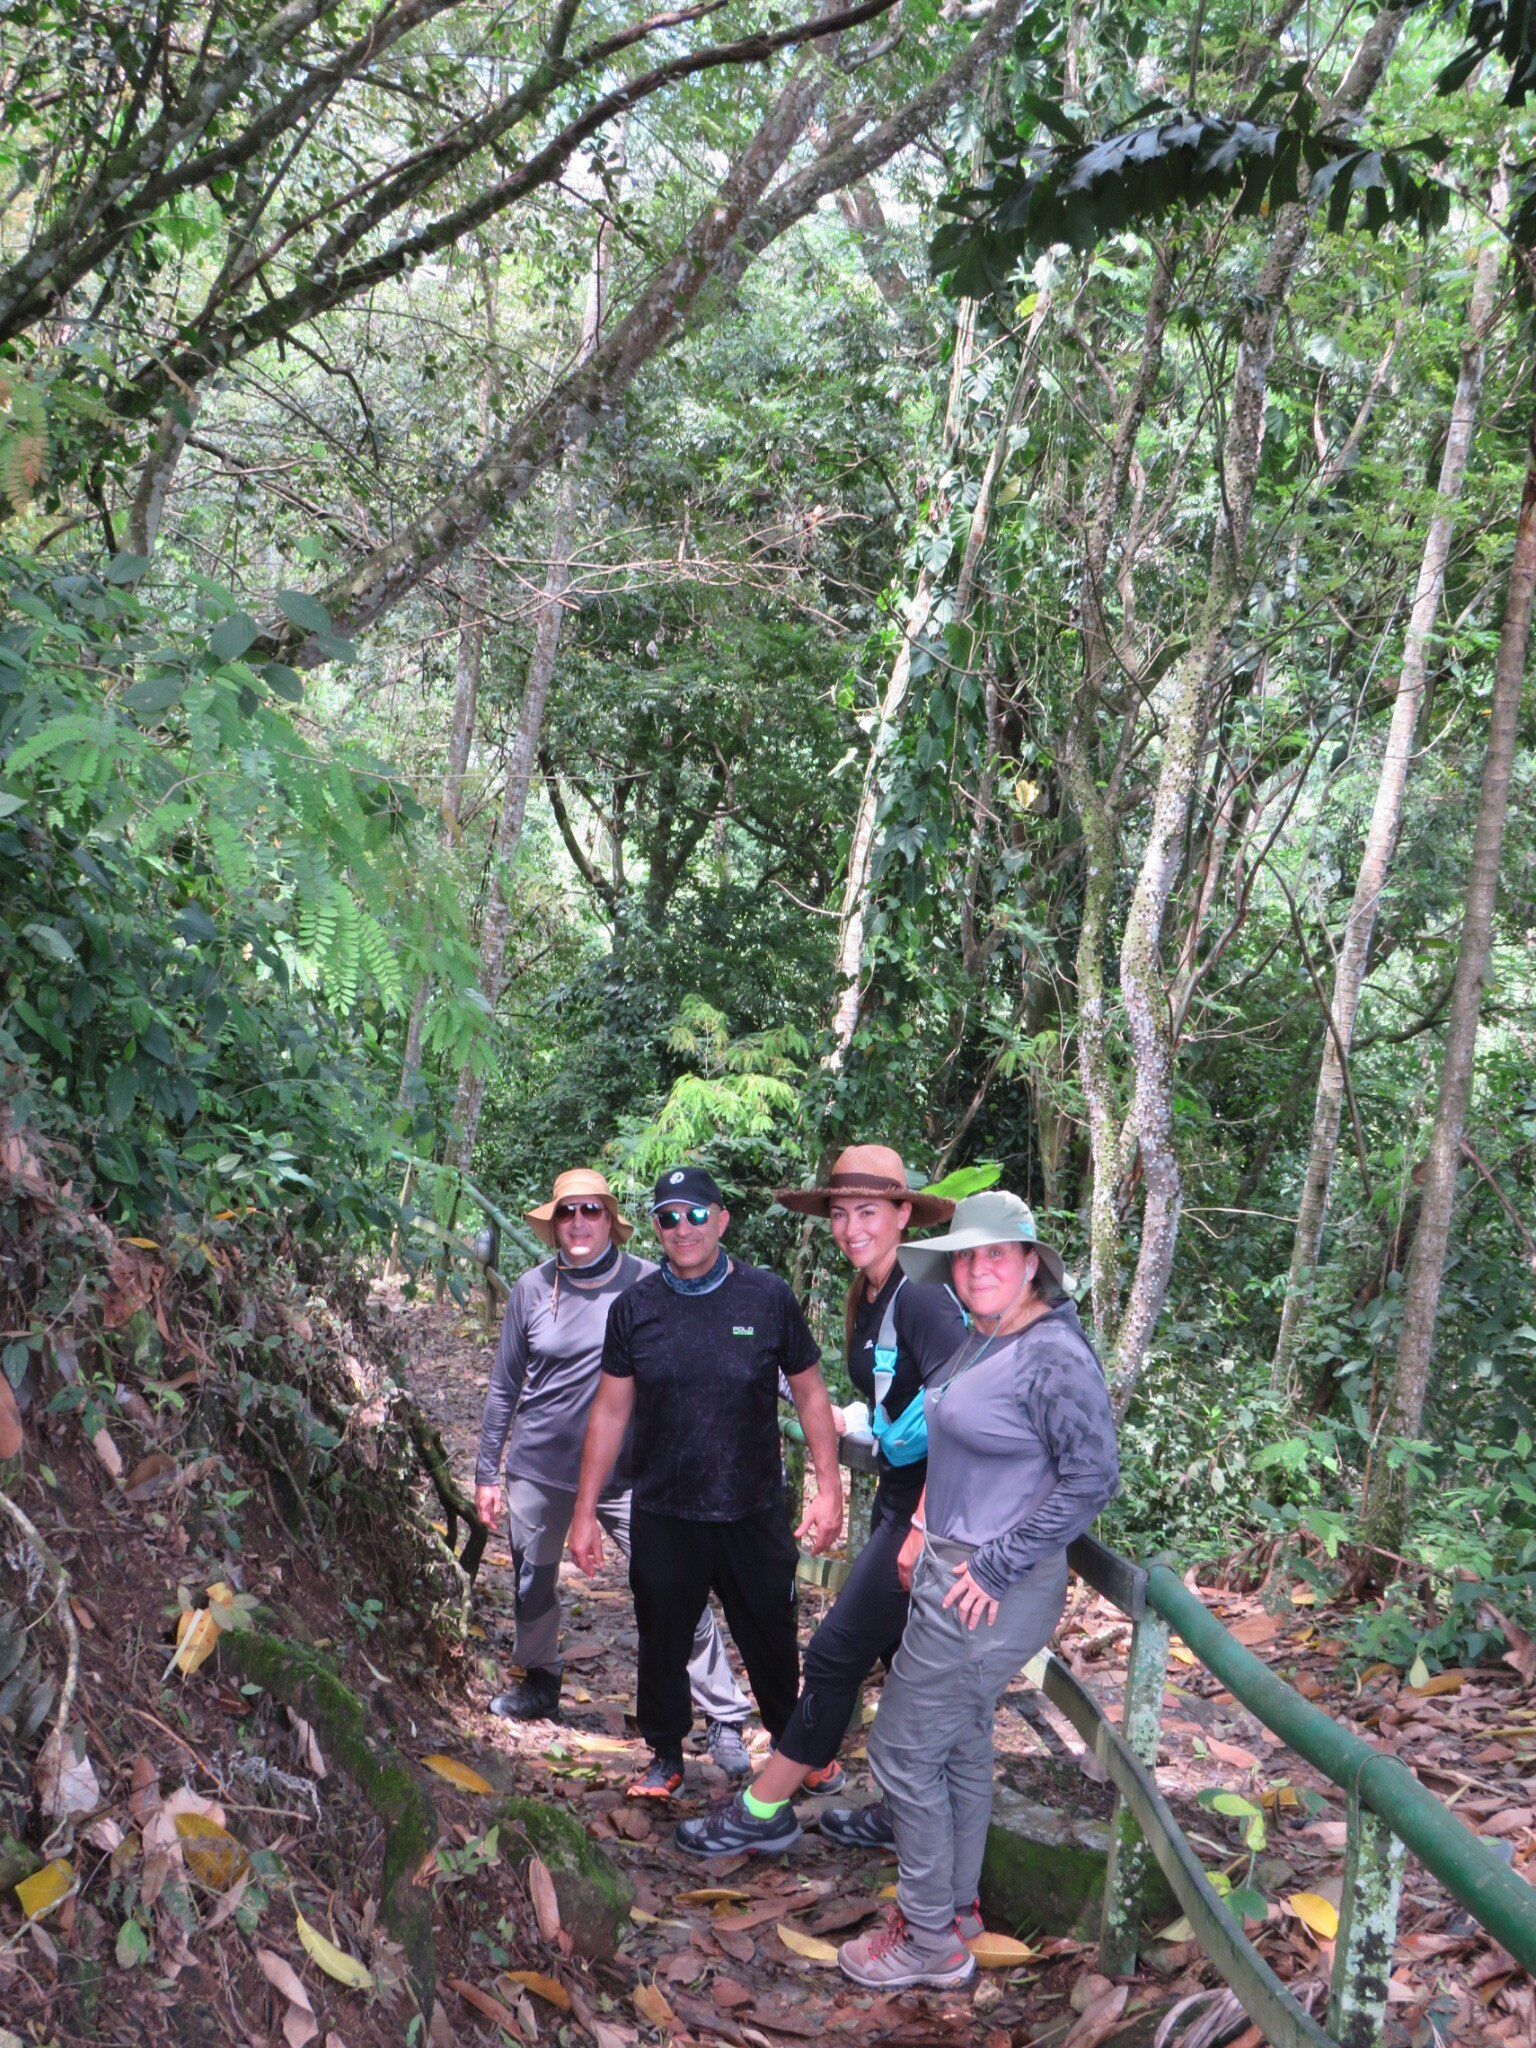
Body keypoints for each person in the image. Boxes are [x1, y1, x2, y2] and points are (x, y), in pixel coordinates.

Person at [836, 1191, 1119, 1991]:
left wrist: (995, 1564)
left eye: (998, 1253)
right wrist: (927, 1526)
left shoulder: (1052, 1353)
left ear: (1032, 1263)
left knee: (900, 1750)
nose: (978, 1268)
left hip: (991, 1587)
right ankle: (955, 1910)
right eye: (965, 1256)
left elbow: (1093, 1477)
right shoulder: (987, 1336)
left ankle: (927, 1939)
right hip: (952, 1569)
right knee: (958, 1743)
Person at [674, 1145, 965, 1858]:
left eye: (868, 1212)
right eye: (839, 1214)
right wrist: (855, 1421)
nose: (850, 1227)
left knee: (835, 1653)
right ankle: (908, 1814)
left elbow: (966, 1417)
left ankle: (761, 1809)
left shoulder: (923, 1297)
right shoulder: (870, 1295)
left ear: (903, 1214)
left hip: (938, 1504)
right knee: (904, 1659)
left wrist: (921, 1524)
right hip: (904, 1490)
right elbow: (904, 1400)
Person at [570, 1166, 844, 1798]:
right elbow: (610, 1410)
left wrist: (828, 1487)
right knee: (662, 1635)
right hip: (665, 1507)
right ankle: (665, 1755)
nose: (683, 1227)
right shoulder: (635, 1307)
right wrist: (585, 1511)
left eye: (696, 1213)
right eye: (668, 1216)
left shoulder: (767, 1297)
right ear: (657, 1228)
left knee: (772, 1636)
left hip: (752, 1507)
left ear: (722, 1219)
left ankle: (795, 1748)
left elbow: (808, 1392)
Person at [473, 1168, 754, 1780]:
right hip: (540, 1468)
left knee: (674, 1589)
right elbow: (504, 1387)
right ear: (554, 1222)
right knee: (532, 1583)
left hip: (634, 1475)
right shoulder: (530, 1289)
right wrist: (485, 1471)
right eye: (567, 1212)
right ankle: (541, 1678)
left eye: (591, 1211)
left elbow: (718, 1347)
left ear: (611, 1220)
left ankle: (725, 1716)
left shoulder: (650, 1284)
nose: (578, 1222)